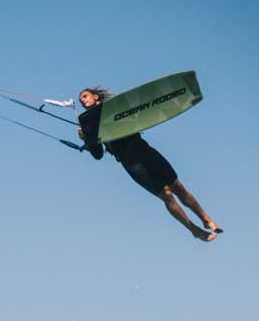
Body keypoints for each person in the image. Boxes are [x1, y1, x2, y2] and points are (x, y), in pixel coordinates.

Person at [77, 86, 222, 242]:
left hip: (145, 151)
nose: (83, 101)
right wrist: (86, 138)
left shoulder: (115, 107)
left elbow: (138, 115)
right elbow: (97, 154)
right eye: (80, 100)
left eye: (85, 96)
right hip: (131, 163)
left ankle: (206, 219)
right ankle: (195, 230)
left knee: (178, 187)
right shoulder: (87, 122)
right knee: (167, 195)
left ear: (96, 96)